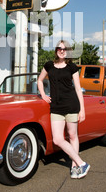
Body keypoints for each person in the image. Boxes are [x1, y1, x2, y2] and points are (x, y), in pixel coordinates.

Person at [37, 40, 90, 179]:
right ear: (56, 50)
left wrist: (82, 109)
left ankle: (75, 167)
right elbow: (39, 80)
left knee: (72, 136)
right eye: (59, 48)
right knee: (57, 139)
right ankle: (81, 163)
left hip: (71, 105)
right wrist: (43, 95)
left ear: (68, 51)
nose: (62, 50)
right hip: (56, 107)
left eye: (64, 48)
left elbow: (78, 89)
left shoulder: (72, 67)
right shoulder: (49, 65)